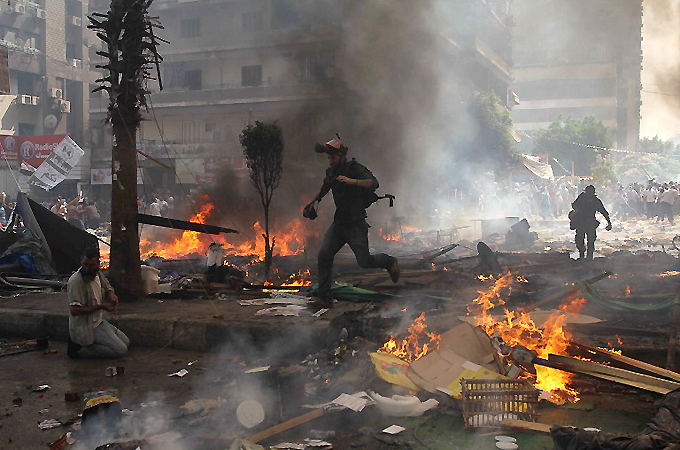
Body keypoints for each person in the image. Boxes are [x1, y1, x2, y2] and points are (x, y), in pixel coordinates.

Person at [303, 137, 400, 309]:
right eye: (329, 158)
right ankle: (325, 299)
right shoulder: (331, 172)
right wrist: (311, 203)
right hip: (339, 223)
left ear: (341, 156)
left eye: (333, 157)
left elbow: (373, 183)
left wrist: (351, 181)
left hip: (355, 223)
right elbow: (323, 189)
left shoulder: (354, 169)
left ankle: (389, 262)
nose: (331, 161)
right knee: (324, 256)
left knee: (364, 261)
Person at [67, 247, 129, 359]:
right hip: (87, 326)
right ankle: (82, 347)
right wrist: (100, 306)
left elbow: (107, 286)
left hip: (99, 322)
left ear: (98, 263)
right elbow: (74, 310)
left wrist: (111, 294)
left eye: (91, 265)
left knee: (126, 342)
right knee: (120, 350)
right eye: (85, 264)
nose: (87, 268)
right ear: (81, 260)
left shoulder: (97, 273)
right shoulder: (76, 281)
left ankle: (92, 343)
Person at [570, 185, 612, 260]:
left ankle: (585, 256)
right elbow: (604, 212)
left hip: (583, 222)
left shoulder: (584, 198)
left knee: (585, 239)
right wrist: (609, 223)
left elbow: (574, 205)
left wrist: (609, 223)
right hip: (586, 222)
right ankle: (586, 256)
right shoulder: (592, 199)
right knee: (586, 240)